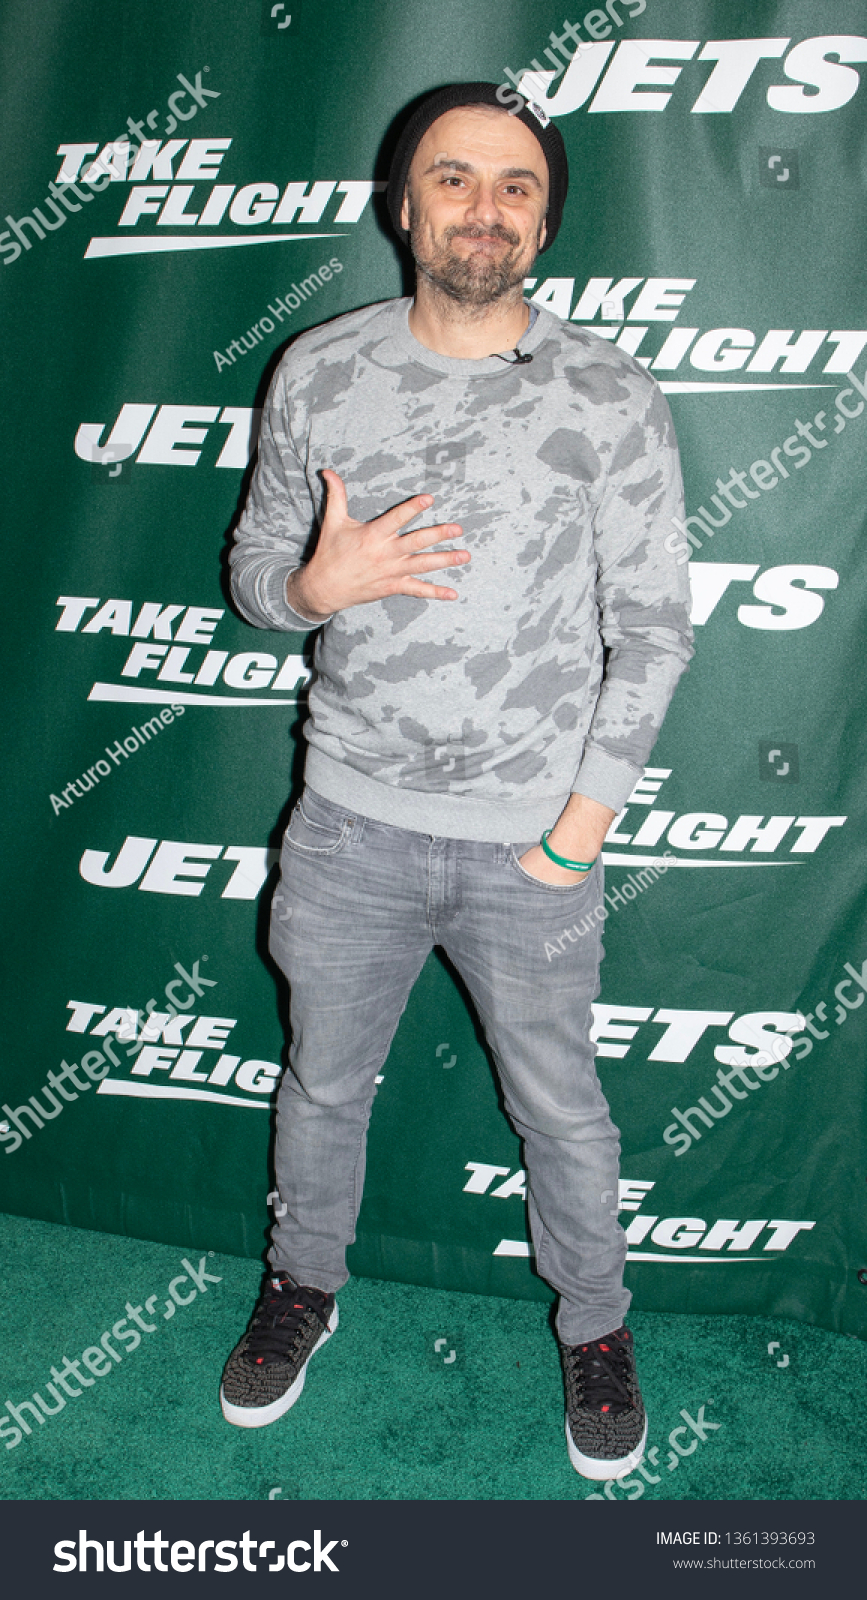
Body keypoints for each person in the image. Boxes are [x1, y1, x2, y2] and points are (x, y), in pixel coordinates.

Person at [222, 81, 693, 1480]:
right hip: (349, 823)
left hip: (531, 844)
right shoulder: (317, 369)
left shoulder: (608, 389)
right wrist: (316, 582)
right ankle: (303, 1287)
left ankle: (597, 1329)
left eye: (514, 186)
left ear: (543, 220)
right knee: (320, 1086)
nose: (483, 207)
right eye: (454, 178)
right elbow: (253, 576)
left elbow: (655, 628)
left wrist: (573, 834)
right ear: (402, 201)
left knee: (562, 1108)